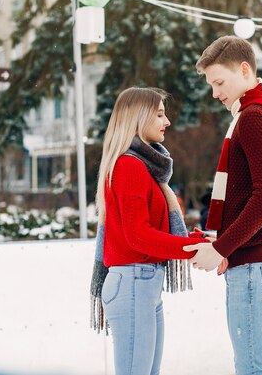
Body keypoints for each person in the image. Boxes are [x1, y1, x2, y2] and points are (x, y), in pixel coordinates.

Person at [184, 36, 262, 375]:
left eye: (219, 82)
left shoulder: (254, 118)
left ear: (244, 69)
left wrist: (222, 247)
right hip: (254, 262)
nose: (215, 93)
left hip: (253, 265)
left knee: (251, 368)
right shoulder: (259, 113)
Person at [89, 87, 209, 375]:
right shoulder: (130, 166)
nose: (166, 121)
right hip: (133, 283)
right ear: (138, 117)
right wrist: (190, 249)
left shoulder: (142, 168)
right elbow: (138, 236)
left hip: (143, 284)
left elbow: (150, 230)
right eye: (158, 114)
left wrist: (198, 241)